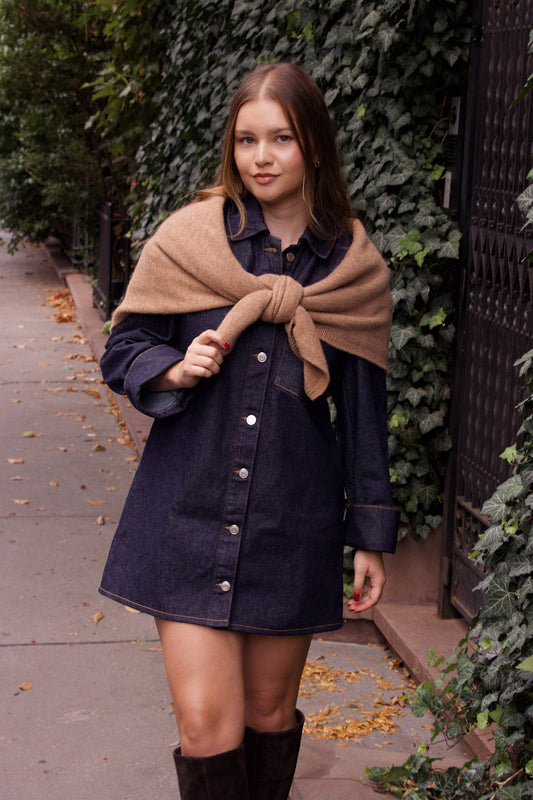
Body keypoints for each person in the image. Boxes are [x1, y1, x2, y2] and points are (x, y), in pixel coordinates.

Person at [98, 62, 398, 800]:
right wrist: (173, 367)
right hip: (185, 515)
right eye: (245, 140)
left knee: (268, 715)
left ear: (314, 149)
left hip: (289, 524)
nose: (260, 157)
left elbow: (362, 408)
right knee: (205, 724)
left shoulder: (350, 265)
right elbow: (123, 348)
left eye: (281, 139)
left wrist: (371, 533)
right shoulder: (189, 238)